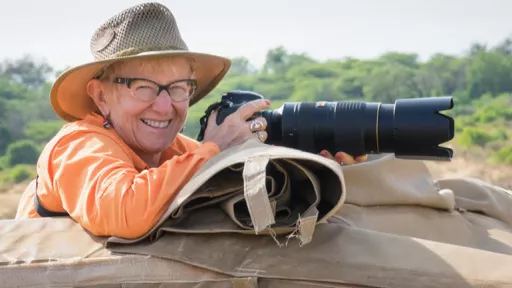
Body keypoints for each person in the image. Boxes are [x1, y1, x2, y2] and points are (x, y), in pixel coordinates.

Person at [15, 2, 367, 239]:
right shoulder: (78, 144)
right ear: (101, 96)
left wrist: (311, 168)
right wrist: (217, 150)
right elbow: (126, 211)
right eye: (143, 87)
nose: (165, 107)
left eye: (179, 88)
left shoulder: (180, 151)